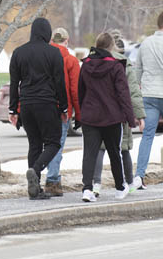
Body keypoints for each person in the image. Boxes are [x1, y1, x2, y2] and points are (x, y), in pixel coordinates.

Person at [8, 17, 68, 200]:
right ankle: (35, 170)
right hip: (46, 103)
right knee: (53, 142)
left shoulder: (19, 53)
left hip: (26, 105)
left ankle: (34, 189)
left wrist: (13, 110)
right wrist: (63, 107)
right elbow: (60, 82)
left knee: (34, 144)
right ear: (47, 33)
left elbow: (14, 83)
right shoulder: (53, 53)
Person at [78, 32, 138, 202]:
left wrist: (80, 114)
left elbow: (80, 91)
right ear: (111, 47)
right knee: (114, 153)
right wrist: (129, 117)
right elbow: (123, 94)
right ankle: (120, 187)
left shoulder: (86, 65)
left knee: (89, 153)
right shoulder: (116, 66)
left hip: (90, 116)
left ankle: (87, 189)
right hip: (112, 117)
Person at [133, 11, 163, 190]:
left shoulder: (145, 44)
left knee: (147, 135)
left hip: (148, 94)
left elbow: (138, 70)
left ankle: (139, 175)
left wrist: (139, 88)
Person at [93, 31, 145, 194]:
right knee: (123, 148)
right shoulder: (123, 62)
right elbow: (133, 91)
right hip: (119, 112)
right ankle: (129, 183)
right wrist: (139, 115)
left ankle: (96, 184)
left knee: (100, 149)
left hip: (99, 111)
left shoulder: (94, 61)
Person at [43, 27, 81, 197]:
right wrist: (79, 115)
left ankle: (40, 175)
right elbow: (75, 90)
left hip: (44, 107)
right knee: (57, 146)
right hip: (62, 111)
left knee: (45, 145)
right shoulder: (71, 61)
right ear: (66, 41)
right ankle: (52, 181)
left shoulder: (43, 58)